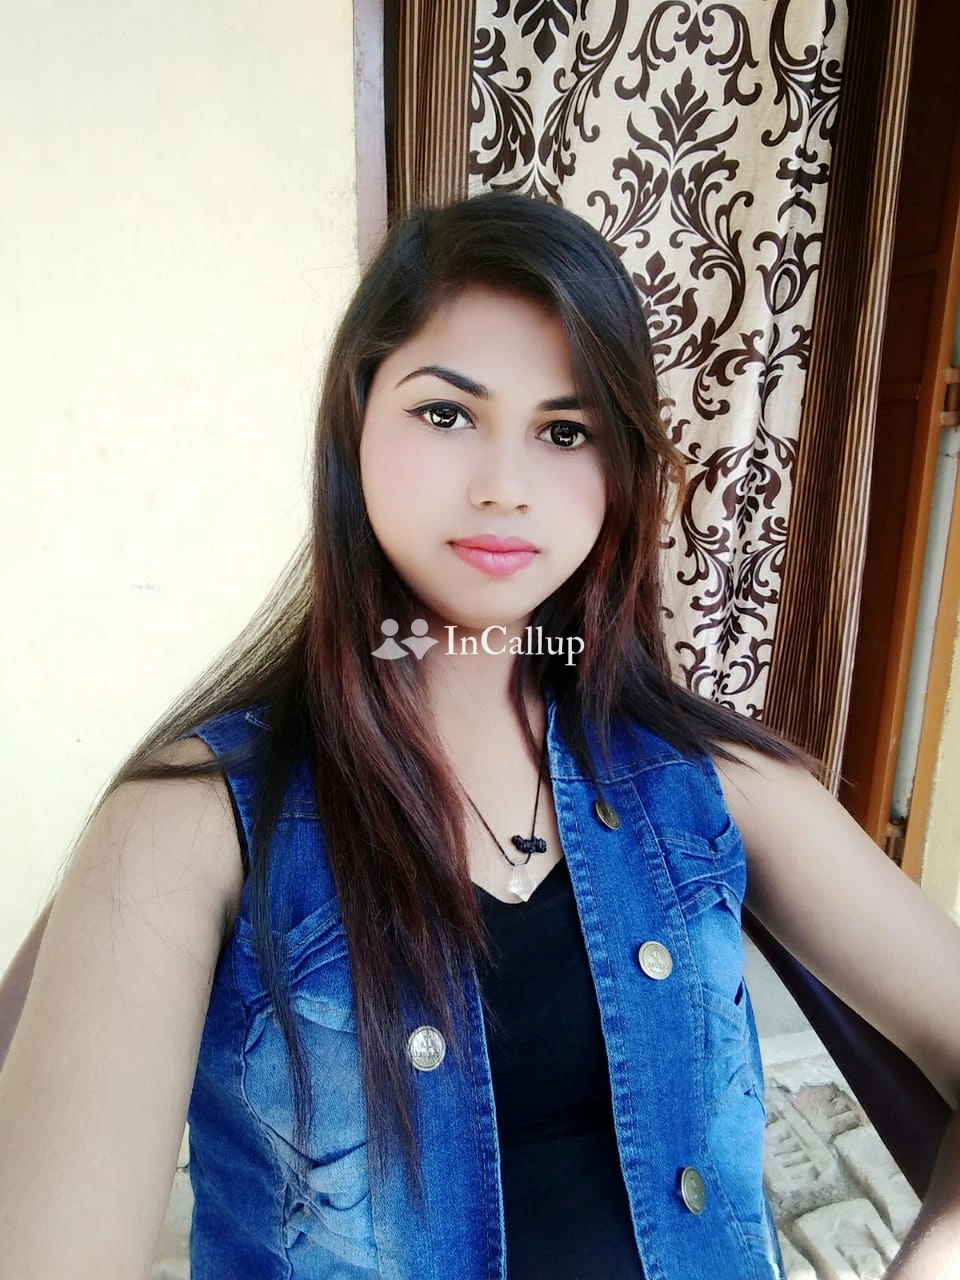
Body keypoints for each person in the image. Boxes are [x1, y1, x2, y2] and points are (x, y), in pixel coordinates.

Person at [1, 192, 959, 1280]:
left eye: (566, 431)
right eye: (447, 414)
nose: (505, 487)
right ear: (357, 416)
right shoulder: (187, 826)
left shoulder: (712, 781)